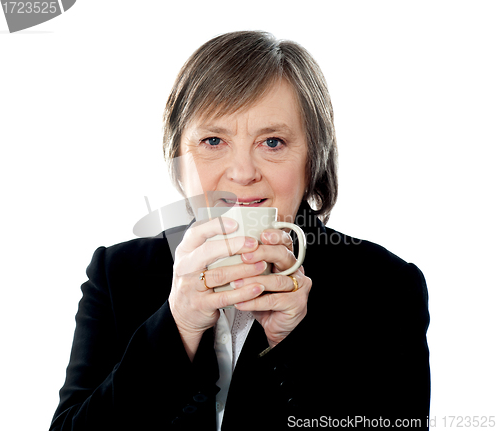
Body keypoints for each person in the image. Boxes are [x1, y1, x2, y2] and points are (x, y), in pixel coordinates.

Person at [50, 31, 430, 430]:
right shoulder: (117, 272)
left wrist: (291, 347)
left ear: (312, 158)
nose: (243, 173)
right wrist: (177, 324)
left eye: (273, 142)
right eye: (213, 140)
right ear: (179, 156)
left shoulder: (386, 285)